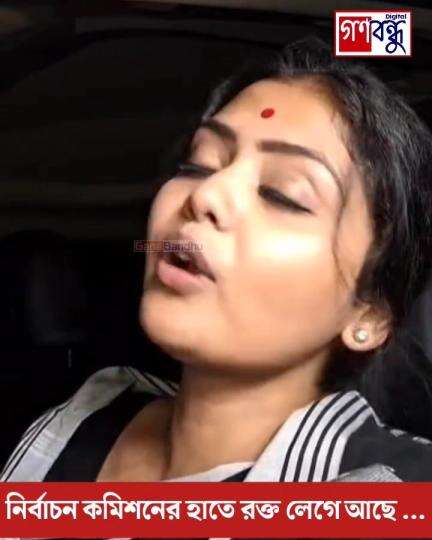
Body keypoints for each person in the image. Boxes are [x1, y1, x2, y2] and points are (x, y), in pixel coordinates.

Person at [3, 37, 432, 494]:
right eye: (198, 166)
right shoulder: (82, 416)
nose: (205, 195)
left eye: (282, 194)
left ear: (370, 314)